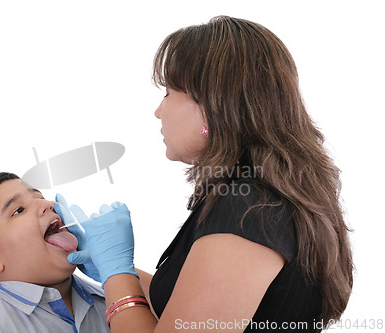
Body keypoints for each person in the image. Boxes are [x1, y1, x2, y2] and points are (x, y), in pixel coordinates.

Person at [57, 16, 354, 332]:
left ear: (213, 106)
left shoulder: (251, 211)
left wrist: (116, 273)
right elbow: (189, 306)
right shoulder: (255, 199)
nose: (159, 110)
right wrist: (116, 270)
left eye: (169, 92)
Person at [0, 172, 110, 333]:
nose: (47, 204)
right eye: (19, 210)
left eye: (40, 198)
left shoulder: (112, 297)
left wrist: (116, 274)